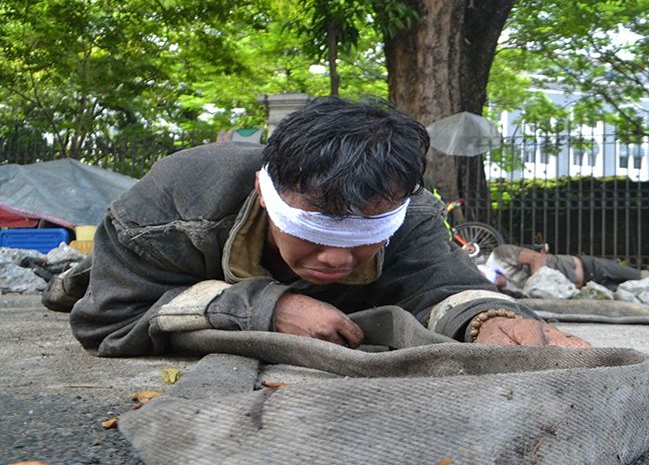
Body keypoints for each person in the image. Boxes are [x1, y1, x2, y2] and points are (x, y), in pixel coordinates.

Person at [56, 96, 588, 356]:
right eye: (313, 234)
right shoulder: (174, 204)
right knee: (86, 283)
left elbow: (443, 286)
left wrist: (489, 319)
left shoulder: (416, 212)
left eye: (361, 241)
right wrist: (267, 308)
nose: (335, 260)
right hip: (165, 263)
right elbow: (107, 319)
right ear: (267, 197)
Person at [483, 244, 643, 292]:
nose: (496, 282)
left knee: (643, 278)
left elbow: (536, 257)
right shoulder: (500, 290)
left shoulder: (500, 255)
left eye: (493, 277)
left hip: (591, 267)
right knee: (636, 292)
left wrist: (537, 285)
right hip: (586, 288)